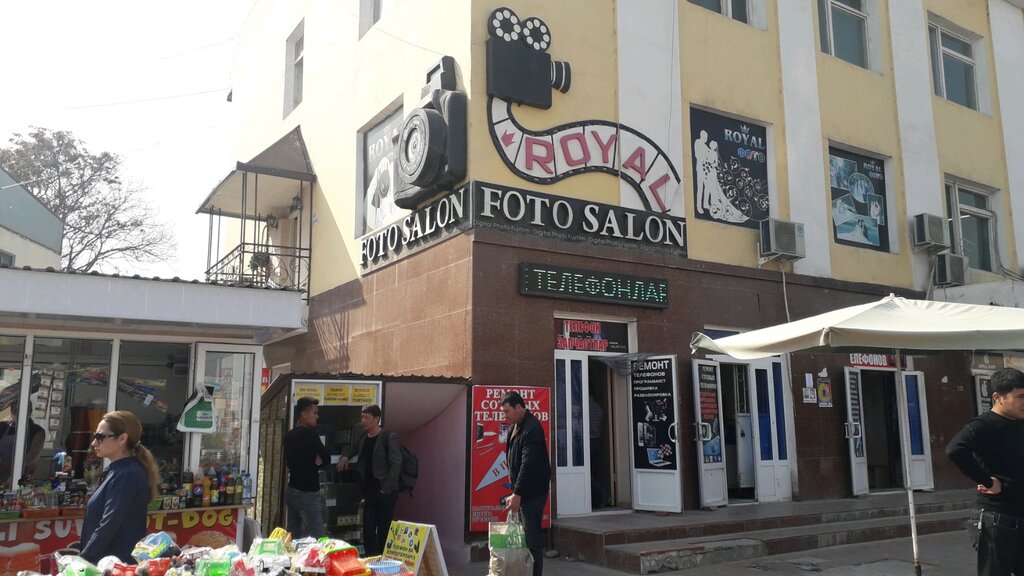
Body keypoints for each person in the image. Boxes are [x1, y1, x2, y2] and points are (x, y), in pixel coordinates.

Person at [946, 367, 1024, 576]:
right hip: (997, 520)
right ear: (998, 397)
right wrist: (987, 481)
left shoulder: (1020, 424)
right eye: (1020, 397)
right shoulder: (984, 425)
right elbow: (955, 449)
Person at [80, 411, 160, 564]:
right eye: (95, 436)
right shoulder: (119, 470)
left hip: (116, 566)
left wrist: (83, 560)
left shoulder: (127, 474)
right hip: (108, 563)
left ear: (123, 438)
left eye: (100, 437)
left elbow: (109, 524)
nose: (94, 443)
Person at [337, 404, 401, 557]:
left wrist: (386, 488)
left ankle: (385, 562)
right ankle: (371, 560)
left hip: (384, 492)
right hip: (369, 491)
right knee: (368, 530)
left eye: (367, 417)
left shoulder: (388, 437)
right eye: (362, 417)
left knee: (384, 530)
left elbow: (396, 463)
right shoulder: (363, 436)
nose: (363, 421)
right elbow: (354, 448)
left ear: (376, 419)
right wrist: (345, 457)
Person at [501, 391, 551, 576]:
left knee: (531, 541)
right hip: (523, 492)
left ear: (518, 407)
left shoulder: (532, 428)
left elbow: (528, 464)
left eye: (507, 411)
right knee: (524, 539)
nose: (505, 416)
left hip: (532, 494)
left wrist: (518, 493)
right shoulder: (515, 426)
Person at [284, 396, 329, 539]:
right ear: (303, 414)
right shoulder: (310, 434)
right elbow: (326, 458)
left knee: (294, 536)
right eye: (314, 413)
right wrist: (316, 461)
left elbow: (290, 462)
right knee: (318, 537)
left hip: (292, 489)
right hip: (308, 492)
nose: (317, 416)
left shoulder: (289, 435)